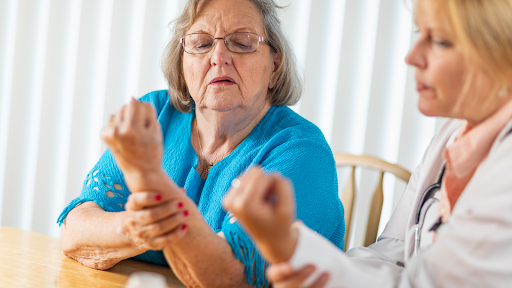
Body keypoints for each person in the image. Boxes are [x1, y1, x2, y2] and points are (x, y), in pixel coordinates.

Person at [223, 0, 512, 287]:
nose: (411, 56)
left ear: (500, 50)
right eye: (418, 34)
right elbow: (392, 252)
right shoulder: (452, 136)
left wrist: (290, 245)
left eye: (438, 41)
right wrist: (303, 260)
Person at [57, 0, 345, 287]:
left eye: (242, 43)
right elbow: (76, 230)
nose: (219, 56)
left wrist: (151, 190)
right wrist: (137, 228)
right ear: (183, 62)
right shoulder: (155, 115)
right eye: (201, 44)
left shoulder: (302, 152)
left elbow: (231, 276)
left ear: (275, 64)